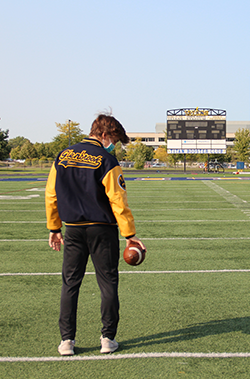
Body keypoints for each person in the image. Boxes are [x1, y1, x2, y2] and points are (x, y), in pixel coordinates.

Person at [45, 113, 145, 356]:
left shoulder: (63, 156)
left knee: (70, 283)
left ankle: (66, 341)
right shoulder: (106, 160)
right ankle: (107, 339)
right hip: (102, 229)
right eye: (115, 139)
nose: (116, 145)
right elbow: (117, 200)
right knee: (108, 282)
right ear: (104, 135)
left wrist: (54, 228)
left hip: (73, 230)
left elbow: (51, 194)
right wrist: (130, 234)